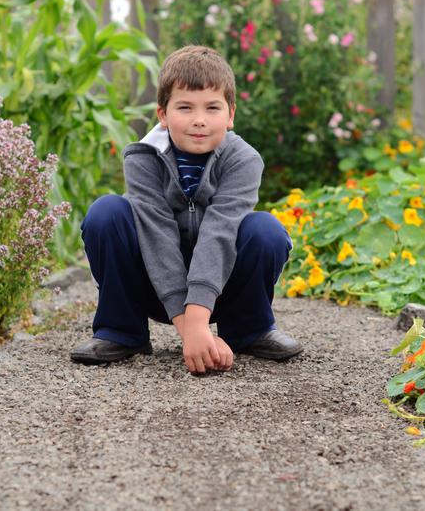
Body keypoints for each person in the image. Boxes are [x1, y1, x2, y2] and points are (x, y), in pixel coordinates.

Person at [71, 45, 303, 374]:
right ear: (163, 114)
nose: (199, 120)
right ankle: (121, 331)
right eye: (184, 107)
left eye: (212, 107)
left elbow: (220, 233)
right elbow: (157, 236)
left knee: (265, 230)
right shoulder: (142, 158)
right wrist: (190, 332)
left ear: (231, 113)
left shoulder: (243, 160)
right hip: (154, 284)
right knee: (106, 212)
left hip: (220, 291)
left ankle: (248, 331)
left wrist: (199, 318)